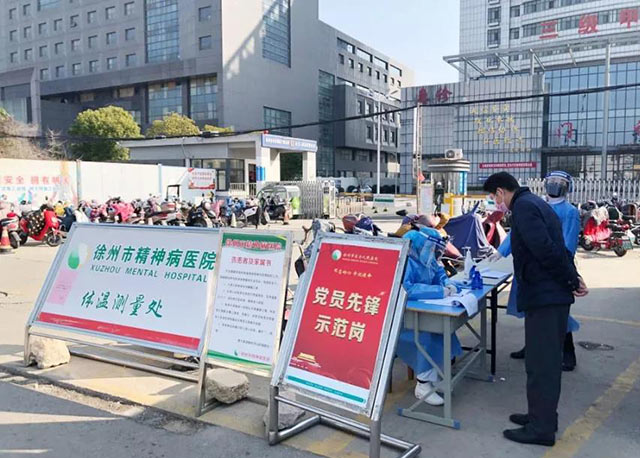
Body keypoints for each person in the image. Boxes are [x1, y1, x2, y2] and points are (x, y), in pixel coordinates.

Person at [483, 172, 588, 447]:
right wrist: (572, 277)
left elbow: (545, 250)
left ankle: (542, 429)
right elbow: (556, 248)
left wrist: (571, 280)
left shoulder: (525, 208)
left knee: (543, 366)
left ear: (501, 191)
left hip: (546, 297)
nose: (495, 202)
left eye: (494, 197)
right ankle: (540, 417)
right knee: (540, 362)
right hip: (548, 294)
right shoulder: (533, 203)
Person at [491, 171, 581, 371]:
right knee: (531, 310)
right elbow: (517, 234)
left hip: (552, 269)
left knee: (555, 312)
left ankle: (568, 352)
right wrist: (501, 252)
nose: (555, 186)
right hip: (529, 267)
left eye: (560, 183)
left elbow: (568, 243)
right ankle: (532, 346)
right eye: (552, 182)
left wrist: (566, 269)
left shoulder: (569, 211)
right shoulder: (537, 204)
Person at [396, 226, 462, 406]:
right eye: (430, 247)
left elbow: (438, 274)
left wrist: (447, 284)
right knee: (425, 337)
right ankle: (423, 385)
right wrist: (439, 291)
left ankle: (435, 376)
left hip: (424, 311)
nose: (433, 252)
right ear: (420, 244)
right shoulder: (405, 261)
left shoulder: (426, 258)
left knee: (443, 331)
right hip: (403, 319)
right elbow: (406, 289)